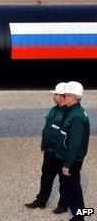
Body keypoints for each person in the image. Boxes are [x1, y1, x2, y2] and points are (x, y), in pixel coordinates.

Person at [24, 82, 68, 213]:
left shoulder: (69, 113)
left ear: (62, 96)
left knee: (64, 180)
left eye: (55, 94)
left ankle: (63, 205)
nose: (53, 96)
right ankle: (41, 201)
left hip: (61, 153)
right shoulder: (54, 110)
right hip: (49, 152)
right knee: (46, 177)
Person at [56, 81, 90, 221]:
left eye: (66, 95)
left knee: (74, 188)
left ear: (72, 97)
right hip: (69, 157)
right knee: (73, 187)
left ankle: (80, 216)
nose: (64, 98)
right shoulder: (74, 112)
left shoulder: (76, 116)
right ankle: (80, 214)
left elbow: (75, 143)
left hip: (72, 160)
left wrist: (67, 164)